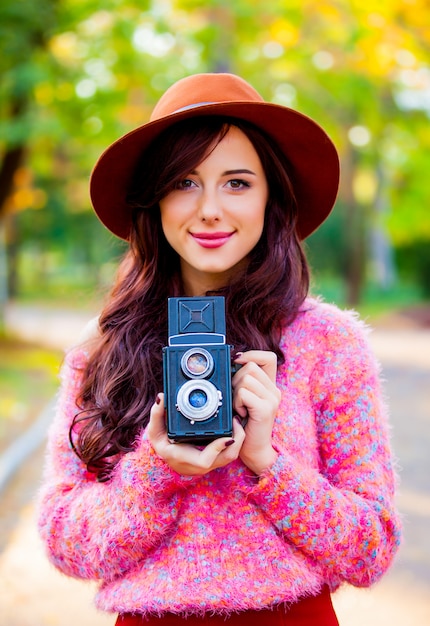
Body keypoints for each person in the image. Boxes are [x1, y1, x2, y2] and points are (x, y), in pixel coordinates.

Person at [37, 73, 402, 626]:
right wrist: (156, 472)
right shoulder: (103, 348)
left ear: (270, 197)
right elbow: (66, 542)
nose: (209, 209)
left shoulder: (328, 342)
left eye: (237, 183)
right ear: (154, 198)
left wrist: (269, 464)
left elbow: (371, 549)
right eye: (184, 182)